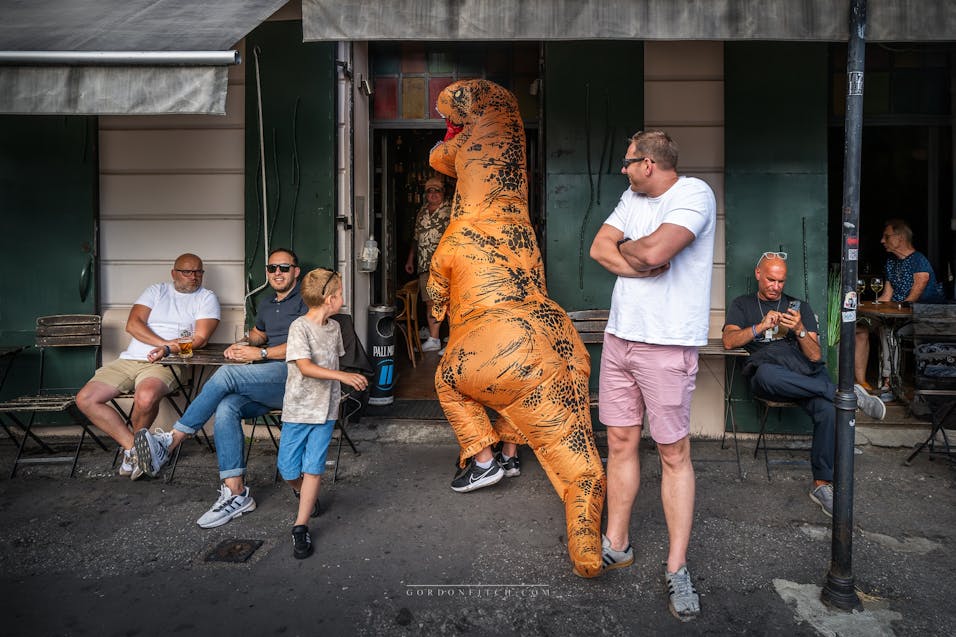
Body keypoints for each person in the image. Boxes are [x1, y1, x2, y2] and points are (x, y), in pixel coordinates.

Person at [590, 129, 714, 621]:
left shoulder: (694, 195)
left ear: (649, 164)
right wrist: (641, 259)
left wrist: (641, 251)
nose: (623, 170)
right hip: (621, 337)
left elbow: (658, 250)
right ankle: (616, 543)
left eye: (628, 162)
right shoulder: (631, 196)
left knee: (672, 453)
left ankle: (677, 567)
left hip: (667, 345)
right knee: (619, 441)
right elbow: (602, 247)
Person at [134, 248, 306, 528]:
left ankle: (171, 441)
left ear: (296, 271)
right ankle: (236, 492)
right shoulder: (266, 303)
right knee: (227, 406)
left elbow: (308, 344)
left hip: (298, 377)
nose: (277, 273)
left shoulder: (306, 300)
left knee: (227, 376)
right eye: (272, 268)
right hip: (270, 381)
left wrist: (260, 355)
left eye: (284, 268)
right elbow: (260, 334)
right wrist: (245, 343)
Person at [724, 252, 887, 519]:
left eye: (781, 281)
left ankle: (822, 484)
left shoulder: (799, 306)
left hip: (804, 373)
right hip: (773, 375)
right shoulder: (742, 304)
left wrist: (799, 329)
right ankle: (846, 395)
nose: (776, 286)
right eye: (770, 280)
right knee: (764, 375)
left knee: (829, 410)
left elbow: (815, 357)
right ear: (758, 274)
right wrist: (760, 326)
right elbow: (729, 341)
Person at [75, 254, 220, 480]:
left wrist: (168, 351)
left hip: (167, 363)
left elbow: (200, 338)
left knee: (144, 398)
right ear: (174, 273)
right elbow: (133, 325)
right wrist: (163, 344)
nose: (194, 277)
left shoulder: (206, 297)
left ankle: (138, 452)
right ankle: (135, 449)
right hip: (130, 359)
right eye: (187, 272)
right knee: (85, 399)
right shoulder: (156, 291)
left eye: (199, 272)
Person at [278, 268, 368, 559]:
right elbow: (305, 367)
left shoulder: (334, 328)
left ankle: (300, 526)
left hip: (326, 410)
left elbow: (335, 360)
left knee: (314, 467)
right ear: (329, 299)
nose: (342, 298)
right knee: (289, 469)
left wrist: (348, 377)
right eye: (340, 294)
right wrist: (342, 377)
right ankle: (303, 492)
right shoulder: (299, 328)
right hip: (298, 409)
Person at [855, 219, 946, 399]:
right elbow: (886, 296)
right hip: (893, 315)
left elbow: (913, 298)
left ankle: (889, 383)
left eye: (886, 236)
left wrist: (889, 311)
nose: (882, 240)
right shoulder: (891, 261)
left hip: (920, 319)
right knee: (859, 328)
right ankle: (860, 382)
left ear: (900, 237)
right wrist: (866, 308)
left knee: (888, 331)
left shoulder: (919, 261)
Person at [405, 175, 453, 352]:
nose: (433, 194)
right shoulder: (423, 211)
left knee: (448, 302)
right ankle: (434, 340)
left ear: (443, 192)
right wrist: (410, 259)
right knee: (430, 302)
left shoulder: (451, 210)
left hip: (446, 265)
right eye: (429, 191)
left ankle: (452, 341)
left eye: (437, 191)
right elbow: (416, 239)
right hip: (425, 265)